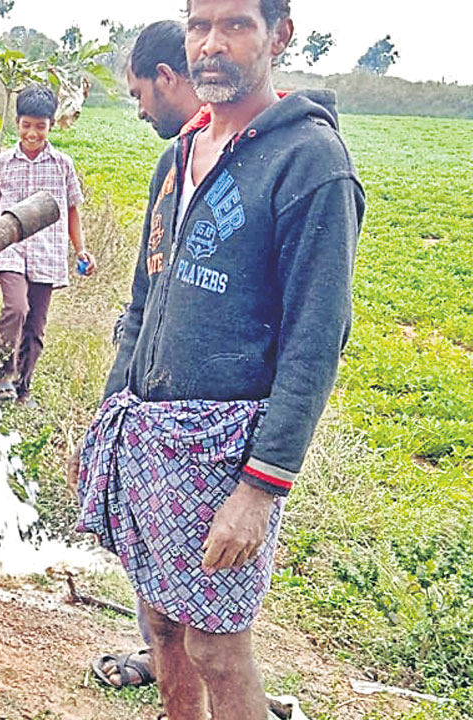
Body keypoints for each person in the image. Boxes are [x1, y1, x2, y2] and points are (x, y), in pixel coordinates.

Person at [73, 0, 364, 717]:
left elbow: (315, 339)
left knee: (217, 648)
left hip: (226, 449)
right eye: (200, 24)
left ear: (279, 37)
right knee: (162, 627)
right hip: (147, 436)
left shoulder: (311, 164)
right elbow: (143, 302)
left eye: (235, 25)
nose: (211, 44)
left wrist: (260, 489)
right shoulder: (177, 158)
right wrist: (111, 414)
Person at [91, 19, 210, 692]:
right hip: (151, 409)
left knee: (213, 622)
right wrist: (116, 399)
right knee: (156, 573)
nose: (138, 109)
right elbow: (145, 292)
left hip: (211, 422)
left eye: (139, 92)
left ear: (166, 77)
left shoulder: (275, 164)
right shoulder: (175, 167)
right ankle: (161, 658)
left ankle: (203, 676)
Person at [0, 85, 93, 407]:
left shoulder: (62, 165)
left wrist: (81, 250)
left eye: (40, 126)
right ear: (17, 123)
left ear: (50, 125)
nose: (32, 133)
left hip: (47, 251)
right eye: (26, 125)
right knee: (16, 308)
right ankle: (3, 375)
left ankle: (23, 387)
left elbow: (72, 209)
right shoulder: (2, 163)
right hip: (10, 250)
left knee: (35, 325)